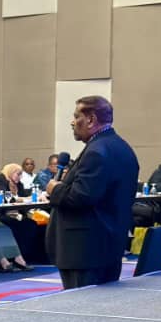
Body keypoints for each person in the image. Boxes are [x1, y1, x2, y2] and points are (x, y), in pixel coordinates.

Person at [45, 95, 139, 289]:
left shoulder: (97, 151)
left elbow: (80, 197)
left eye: (76, 116)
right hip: (109, 244)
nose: (72, 122)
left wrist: (55, 189)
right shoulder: (122, 147)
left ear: (90, 120)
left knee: (81, 304)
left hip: (85, 251)